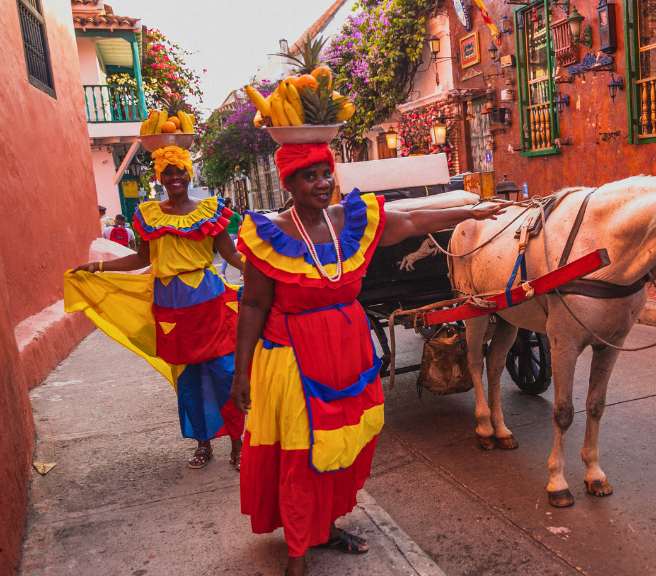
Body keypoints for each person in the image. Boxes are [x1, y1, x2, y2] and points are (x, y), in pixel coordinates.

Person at [231, 142, 504, 576]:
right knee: (304, 454)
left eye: (325, 173)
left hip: (348, 349)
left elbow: (413, 220)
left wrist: (469, 213)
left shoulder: (349, 220)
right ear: (289, 182)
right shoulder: (270, 235)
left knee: (346, 443)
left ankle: (325, 525)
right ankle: (298, 549)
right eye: (309, 176)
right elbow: (252, 306)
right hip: (293, 360)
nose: (321, 184)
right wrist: (241, 371)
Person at [66, 145, 247, 470]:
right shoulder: (148, 214)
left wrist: (263, 269)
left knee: (224, 375)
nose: (174, 177)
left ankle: (238, 443)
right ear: (160, 176)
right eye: (168, 172)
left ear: (188, 174)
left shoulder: (209, 210)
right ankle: (202, 444)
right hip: (170, 308)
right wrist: (97, 269)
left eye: (179, 171)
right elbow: (143, 259)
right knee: (188, 382)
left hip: (209, 305)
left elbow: (231, 256)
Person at [220, 197, 243, 275]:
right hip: (235, 235)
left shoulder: (222, 214)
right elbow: (240, 221)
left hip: (226, 236)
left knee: (227, 255)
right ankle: (242, 273)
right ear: (229, 204)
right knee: (239, 254)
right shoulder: (234, 213)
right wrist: (237, 226)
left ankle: (222, 272)